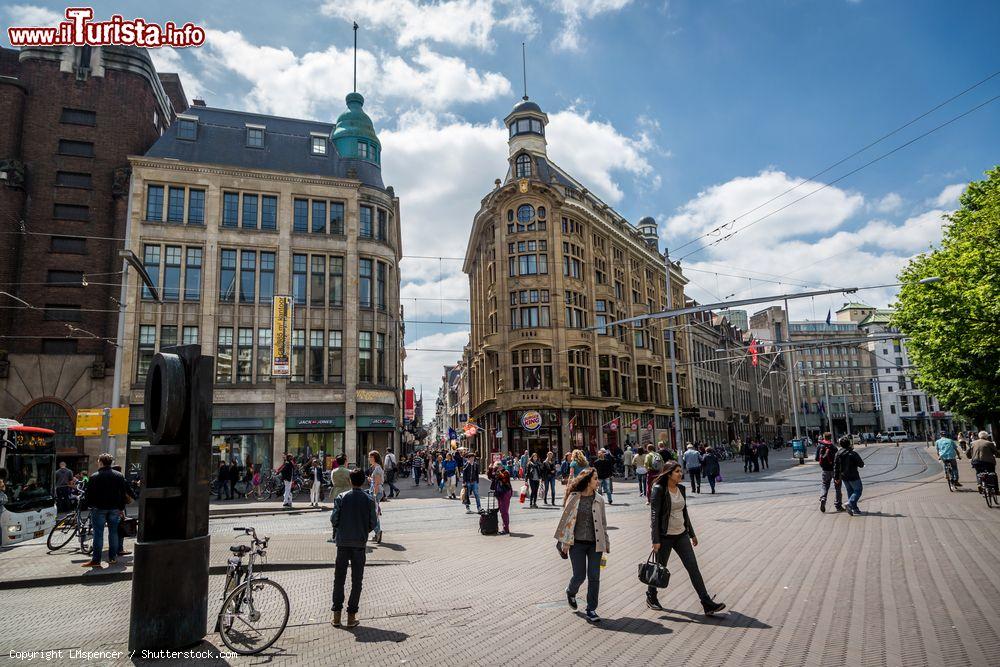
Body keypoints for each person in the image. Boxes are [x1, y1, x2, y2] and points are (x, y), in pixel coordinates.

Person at [646, 461, 726, 615]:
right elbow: (654, 516)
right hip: (665, 537)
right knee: (658, 570)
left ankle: (706, 602)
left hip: (681, 534)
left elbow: (684, 513)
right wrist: (655, 540)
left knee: (693, 568)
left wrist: (692, 533)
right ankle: (651, 596)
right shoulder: (659, 489)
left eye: (680, 471)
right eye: (677, 471)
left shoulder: (681, 489)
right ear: (668, 474)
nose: (680, 474)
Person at [554, 468, 610, 623]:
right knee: (579, 575)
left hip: (595, 544)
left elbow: (603, 523)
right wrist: (564, 542)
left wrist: (606, 543)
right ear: (587, 481)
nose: (598, 481)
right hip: (576, 544)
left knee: (594, 577)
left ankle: (591, 609)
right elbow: (565, 521)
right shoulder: (574, 497)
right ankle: (571, 592)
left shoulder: (599, 499)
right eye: (595, 479)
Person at [330, 468, 378, 629]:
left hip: (342, 543)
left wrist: (340, 529)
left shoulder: (341, 498)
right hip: (359, 544)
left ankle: (336, 615)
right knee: (357, 581)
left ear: (350, 481)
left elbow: (334, 519)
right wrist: (364, 531)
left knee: (339, 579)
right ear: (363, 481)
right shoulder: (369, 500)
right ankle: (351, 616)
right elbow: (373, 523)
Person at [80, 453, 131, 568]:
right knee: (113, 533)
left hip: (98, 509)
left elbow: (89, 495)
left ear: (101, 462)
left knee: (98, 534)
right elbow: (124, 493)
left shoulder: (94, 476)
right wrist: (121, 508)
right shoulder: (119, 476)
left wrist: (90, 505)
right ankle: (112, 558)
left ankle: (96, 560)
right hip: (114, 509)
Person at [834, 436, 865, 516]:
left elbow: (836, 467)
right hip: (853, 476)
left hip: (843, 476)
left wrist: (836, 477)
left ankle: (855, 509)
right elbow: (861, 464)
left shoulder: (838, 454)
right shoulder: (853, 453)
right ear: (849, 444)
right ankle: (849, 504)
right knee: (858, 490)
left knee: (850, 491)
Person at [816, 432, 843, 513]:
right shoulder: (834, 447)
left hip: (825, 470)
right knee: (838, 488)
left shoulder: (819, 446)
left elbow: (817, 458)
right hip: (834, 470)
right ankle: (838, 505)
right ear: (831, 438)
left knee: (824, 485)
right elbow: (838, 460)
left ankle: (823, 498)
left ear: (824, 437)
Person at [488, 461, 513, 534]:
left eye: (496, 467)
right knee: (502, 511)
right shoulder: (496, 472)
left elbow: (504, 480)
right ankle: (505, 528)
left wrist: (497, 472)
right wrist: (490, 469)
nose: (495, 468)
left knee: (504, 511)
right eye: (494, 467)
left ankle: (506, 529)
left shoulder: (506, 472)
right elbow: (490, 477)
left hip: (505, 493)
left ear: (500, 466)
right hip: (499, 493)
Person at [368, 451, 384, 543]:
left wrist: (374, 495)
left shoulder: (377, 468)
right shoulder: (377, 468)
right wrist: (371, 479)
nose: (369, 459)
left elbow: (377, 483)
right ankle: (376, 533)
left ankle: (378, 532)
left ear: (374, 458)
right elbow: (376, 481)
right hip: (376, 491)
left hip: (376, 492)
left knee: (374, 514)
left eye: (370, 457)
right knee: (374, 513)